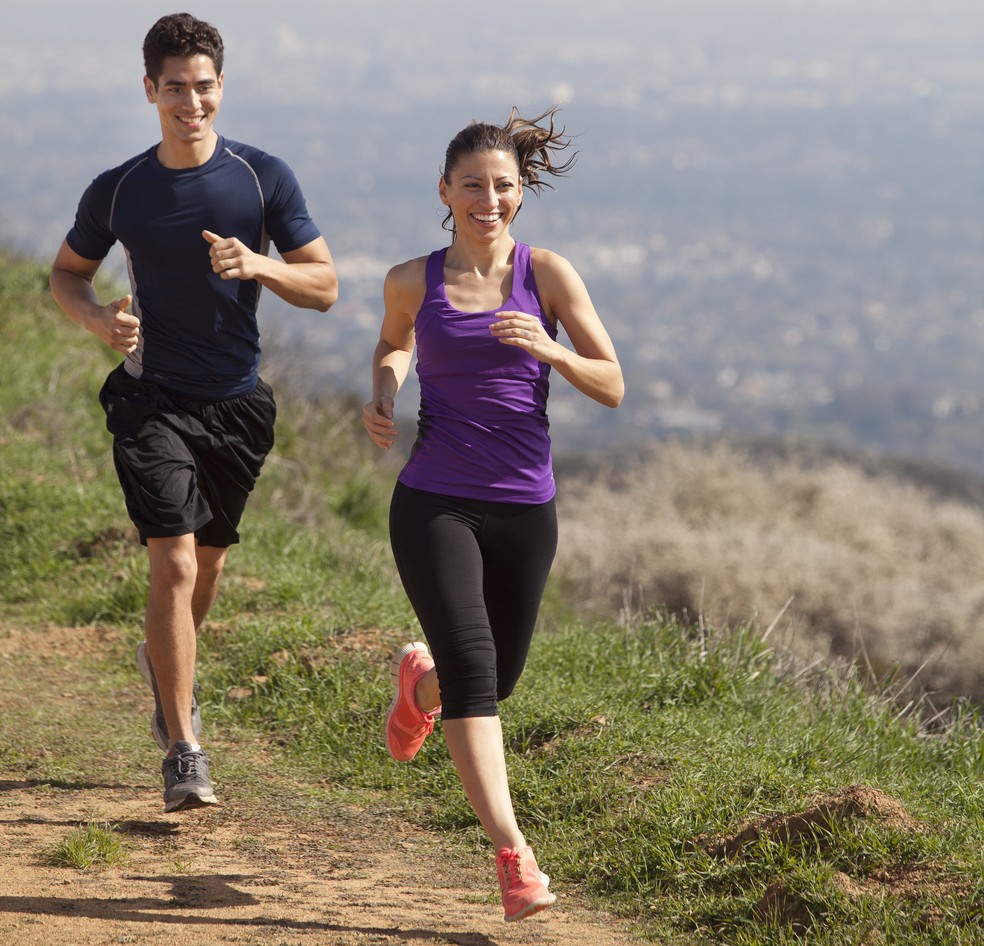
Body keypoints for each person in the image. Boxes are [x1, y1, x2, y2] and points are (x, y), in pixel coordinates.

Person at [49, 13, 338, 813]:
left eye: (203, 86)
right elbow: (66, 276)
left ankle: (165, 665)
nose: (190, 102)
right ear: (150, 91)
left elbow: (325, 285)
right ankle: (184, 748)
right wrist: (99, 320)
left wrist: (260, 265)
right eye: (174, 88)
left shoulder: (259, 179)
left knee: (207, 566)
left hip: (239, 405)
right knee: (172, 561)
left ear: (221, 88)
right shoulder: (120, 189)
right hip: (151, 398)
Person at [362, 107, 623, 922]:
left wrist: (549, 349)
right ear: (445, 190)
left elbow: (612, 383)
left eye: (502, 185)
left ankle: (419, 687)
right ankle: (515, 858)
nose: (487, 198)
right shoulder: (415, 278)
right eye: (471, 185)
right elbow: (394, 342)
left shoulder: (547, 276)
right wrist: (385, 388)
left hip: (525, 507)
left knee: (496, 674)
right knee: (481, 670)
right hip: (435, 500)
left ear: (520, 195)